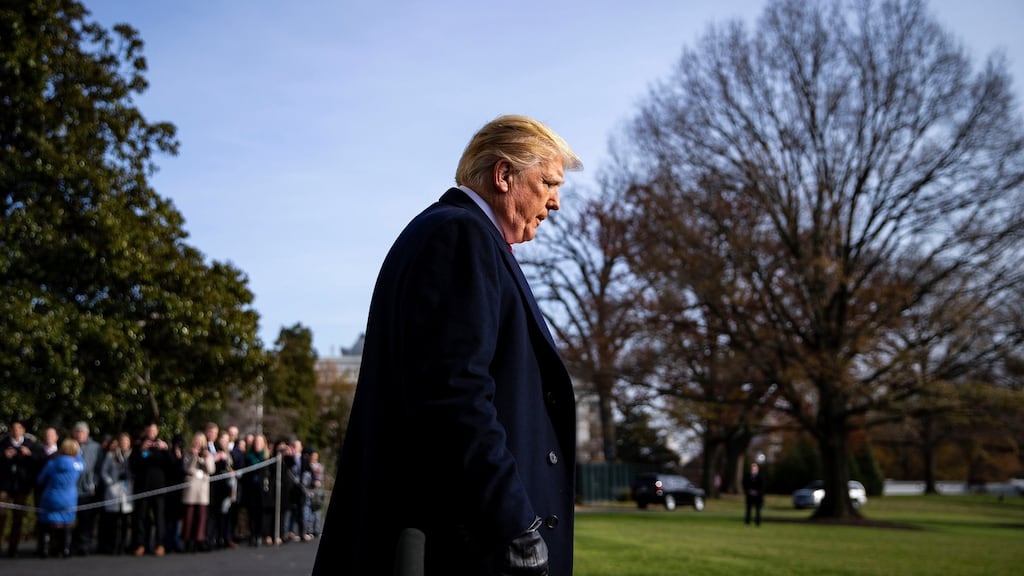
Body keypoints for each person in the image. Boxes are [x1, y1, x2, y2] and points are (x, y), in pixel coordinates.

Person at [312, 115, 582, 576]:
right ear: (504, 175)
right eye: (548, 183)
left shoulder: (452, 233)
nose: (555, 202)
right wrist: (513, 523)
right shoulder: (460, 235)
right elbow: (455, 396)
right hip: (463, 544)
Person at [36, 438, 85, 558]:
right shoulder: (76, 465)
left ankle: (45, 549)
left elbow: (40, 480)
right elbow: (83, 465)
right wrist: (77, 454)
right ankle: (65, 549)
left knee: (47, 522)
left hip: (51, 496)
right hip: (68, 498)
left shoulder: (52, 463)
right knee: (67, 523)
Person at [129, 423, 171, 556]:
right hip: (142, 488)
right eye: (149, 430)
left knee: (159, 517)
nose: (151, 432)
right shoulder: (138, 446)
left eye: (154, 430)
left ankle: (159, 544)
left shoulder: (162, 446)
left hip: (159, 488)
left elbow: (172, 464)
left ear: (157, 431)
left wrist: (166, 449)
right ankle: (141, 544)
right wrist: (141, 450)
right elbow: (133, 465)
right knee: (141, 517)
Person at [0, 417, 38, 558]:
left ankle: (13, 548)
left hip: (21, 486)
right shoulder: (3, 443)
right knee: (1, 515)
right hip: (4, 484)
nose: (16, 431)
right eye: (13, 428)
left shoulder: (30, 444)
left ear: (23, 430)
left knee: (18, 517)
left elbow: (37, 461)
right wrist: (4, 456)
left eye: (18, 428)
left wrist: (29, 454)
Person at [98, 432, 133, 555]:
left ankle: (123, 545)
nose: (124, 443)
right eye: (122, 441)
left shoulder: (132, 455)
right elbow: (103, 472)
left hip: (127, 492)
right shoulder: (111, 455)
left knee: (124, 521)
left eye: (126, 441)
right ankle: (112, 545)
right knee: (112, 522)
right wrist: (111, 483)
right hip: (113, 491)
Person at [181, 432, 214, 552]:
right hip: (191, 489)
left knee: (201, 516)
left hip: (203, 490)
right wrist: (194, 456)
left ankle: (199, 539)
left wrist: (205, 458)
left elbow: (211, 469)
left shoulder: (207, 455)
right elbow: (186, 468)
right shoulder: (188, 454)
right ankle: (187, 540)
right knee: (189, 516)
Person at [71, 421, 102, 555]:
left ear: (87, 433)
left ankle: (85, 545)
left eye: (82, 432)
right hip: (72, 489)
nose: (79, 435)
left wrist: (95, 482)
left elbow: (99, 467)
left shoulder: (95, 447)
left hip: (88, 490)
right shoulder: (69, 445)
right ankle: (72, 545)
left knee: (87, 520)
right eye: (77, 432)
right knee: (72, 519)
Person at [743, 462, 765, 527]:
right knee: (748, 510)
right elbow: (745, 484)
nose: (753, 470)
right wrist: (749, 491)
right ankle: (747, 522)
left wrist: (757, 492)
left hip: (758, 496)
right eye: (752, 468)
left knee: (758, 510)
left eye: (755, 468)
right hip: (749, 496)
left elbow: (762, 486)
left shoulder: (760, 477)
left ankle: (758, 523)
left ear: (757, 469)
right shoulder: (747, 476)